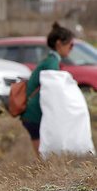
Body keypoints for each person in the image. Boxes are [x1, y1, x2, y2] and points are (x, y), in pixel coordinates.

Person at [20, 22, 76, 155]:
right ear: (59, 44)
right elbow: (53, 92)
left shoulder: (50, 60)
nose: (71, 48)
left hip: (32, 114)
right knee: (42, 160)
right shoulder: (52, 63)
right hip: (34, 115)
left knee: (43, 158)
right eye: (70, 44)